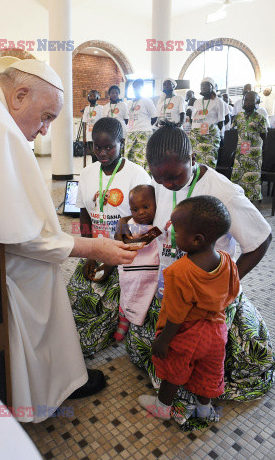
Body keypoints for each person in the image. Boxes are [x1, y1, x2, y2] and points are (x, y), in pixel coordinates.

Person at [0, 60, 138, 423]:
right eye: (46, 116)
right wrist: (92, 247)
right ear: (19, 95)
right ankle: (40, 390)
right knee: (38, 268)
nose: (46, 129)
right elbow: (21, 237)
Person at [126, 124, 275, 430]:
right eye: (159, 177)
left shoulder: (223, 193)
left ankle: (178, 400)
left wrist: (224, 286)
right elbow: (162, 226)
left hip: (210, 301)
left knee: (228, 357)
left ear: (192, 157)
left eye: (175, 177)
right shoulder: (163, 184)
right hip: (172, 291)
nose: (166, 184)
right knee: (151, 348)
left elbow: (261, 238)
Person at [138, 196, 240, 425]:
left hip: (186, 335)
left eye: (176, 229)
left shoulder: (179, 272)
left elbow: (175, 316)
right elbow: (232, 293)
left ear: (196, 239)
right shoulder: (228, 262)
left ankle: (163, 407)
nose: (172, 232)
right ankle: (204, 410)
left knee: (174, 370)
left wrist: (163, 341)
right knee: (209, 371)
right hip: (216, 332)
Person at [67, 117, 150, 356]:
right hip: (95, 249)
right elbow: (84, 216)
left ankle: (103, 331)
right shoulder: (86, 173)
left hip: (126, 254)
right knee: (76, 292)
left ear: (121, 143)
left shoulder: (137, 175)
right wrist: (89, 253)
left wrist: (112, 261)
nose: (102, 153)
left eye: (109, 147)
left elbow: (140, 225)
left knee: (107, 300)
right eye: (97, 147)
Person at [112, 184, 159, 341]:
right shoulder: (128, 224)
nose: (141, 213)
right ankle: (123, 320)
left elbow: (144, 242)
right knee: (126, 292)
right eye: (135, 209)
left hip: (149, 271)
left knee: (143, 294)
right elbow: (122, 243)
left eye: (146, 207)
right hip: (130, 269)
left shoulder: (159, 224)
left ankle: (135, 320)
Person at [232, 91, 267, 202]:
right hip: (240, 152)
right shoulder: (238, 116)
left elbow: (264, 135)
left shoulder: (260, 117)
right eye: (246, 99)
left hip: (254, 153)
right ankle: (237, 198)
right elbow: (234, 131)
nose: (247, 102)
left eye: (251, 100)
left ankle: (252, 200)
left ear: (256, 102)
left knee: (252, 178)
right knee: (238, 174)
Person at [189, 77, 226, 168]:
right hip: (196, 137)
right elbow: (193, 119)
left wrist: (213, 134)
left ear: (212, 87)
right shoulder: (197, 102)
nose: (203, 87)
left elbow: (221, 122)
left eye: (206, 85)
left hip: (210, 137)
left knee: (208, 162)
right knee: (195, 163)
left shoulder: (218, 101)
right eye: (202, 86)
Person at [125, 79, 157, 170]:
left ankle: (144, 180)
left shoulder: (147, 101)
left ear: (142, 88)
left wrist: (145, 126)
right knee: (129, 157)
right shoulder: (130, 103)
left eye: (138, 86)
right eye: (134, 87)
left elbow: (154, 117)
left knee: (142, 158)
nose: (136, 88)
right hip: (131, 132)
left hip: (144, 133)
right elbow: (128, 118)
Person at [82, 89, 103, 162]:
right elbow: (84, 123)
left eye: (94, 95)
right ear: (88, 97)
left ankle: (100, 169)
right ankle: (95, 170)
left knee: (98, 154)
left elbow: (103, 122)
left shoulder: (101, 108)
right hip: (89, 135)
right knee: (92, 154)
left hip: (98, 136)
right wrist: (84, 137)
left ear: (98, 97)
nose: (92, 97)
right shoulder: (86, 109)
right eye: (90, 95)